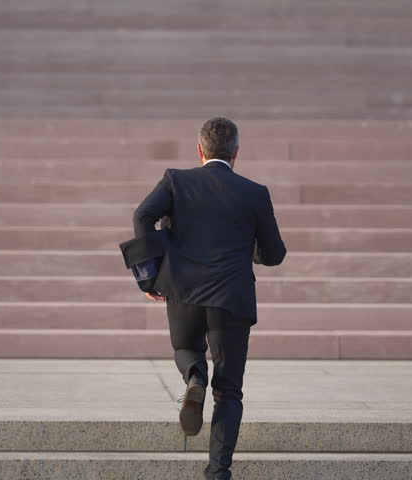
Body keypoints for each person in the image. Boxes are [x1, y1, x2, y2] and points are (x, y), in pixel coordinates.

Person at [132, 117, 287, 479]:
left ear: (199, 150)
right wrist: (249, 250)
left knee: (186, 349)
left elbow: (142, 215)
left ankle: (194, 378)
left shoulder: (175, 180)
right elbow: (275, 253)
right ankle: (217, 472)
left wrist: (149, 275)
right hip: (232, 298)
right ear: (236, 153)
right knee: (229, 391)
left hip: (184, 291)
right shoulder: (254, 192)